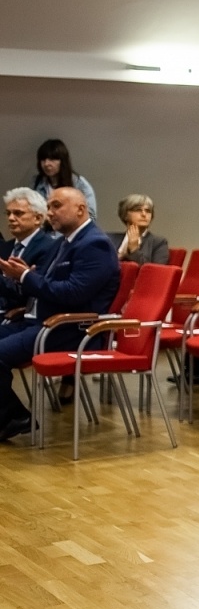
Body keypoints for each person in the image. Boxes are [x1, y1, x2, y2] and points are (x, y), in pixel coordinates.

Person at [0, 188, 119, 440]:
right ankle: (11, 416)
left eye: (56, 206)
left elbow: (73, 294)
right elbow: (45, 280)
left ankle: (14, 417)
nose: (50, 212)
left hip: (70, 330)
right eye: (49, 207)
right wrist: (26, 275)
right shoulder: (64, 242)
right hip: (40, 321)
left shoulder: (94, 244)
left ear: (80, 209)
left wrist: (24, 276)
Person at [0, 188, 56, 313]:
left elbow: (28, 294)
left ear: (37, 218)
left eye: (18, 213)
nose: (11, 218)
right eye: (8, 213)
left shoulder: (49, 248)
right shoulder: (4, 247)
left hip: (18, 316)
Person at [31, 139, 97, 220]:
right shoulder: (37, 183)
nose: (46, 164)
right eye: (43, 160)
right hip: (44, 231)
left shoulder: (79, 183)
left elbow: (91, 217)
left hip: (69, 231)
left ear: (62, 161)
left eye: (52, 159)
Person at [113, 194, 169, 265]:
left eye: (148, 211)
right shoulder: (108, 239)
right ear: (125, 214)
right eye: (138, 210)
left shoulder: (159, 243)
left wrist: (134, 250)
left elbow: (155, 272)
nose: (144, 214)